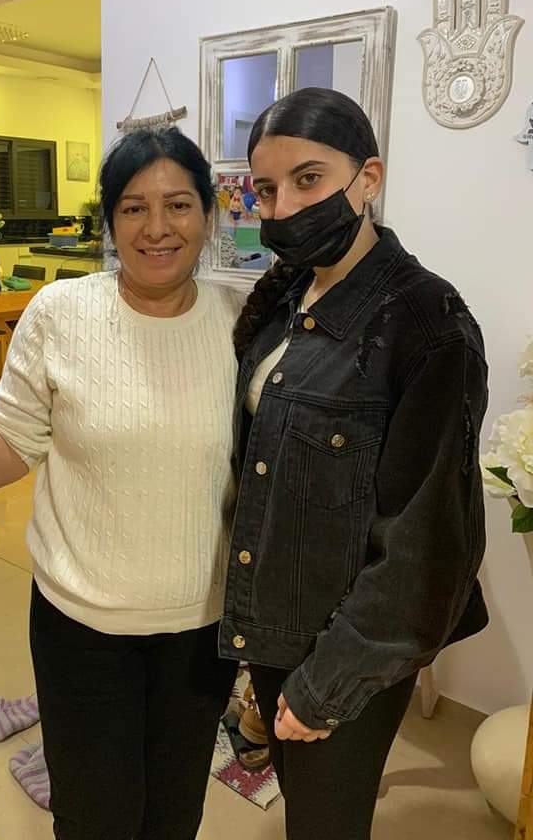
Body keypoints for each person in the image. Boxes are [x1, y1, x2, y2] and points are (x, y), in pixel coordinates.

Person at [0, 127, 242, 840]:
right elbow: (14, 442)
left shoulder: (242, 323)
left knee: (176, 811)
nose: (157, 227)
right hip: (81, 627)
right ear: (110, 223)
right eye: (133, 208)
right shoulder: (61, 313)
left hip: (201, 629)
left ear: (208, 216)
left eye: (178, 205)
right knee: (93, 816)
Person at [219, 87, 489, 840]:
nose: (283, 207)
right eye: (266, 189)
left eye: (308, 179)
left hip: (345, 643)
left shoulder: (428, 325)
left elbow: (429, 545)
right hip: (272, 623)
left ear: (368, 178)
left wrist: (328, 684)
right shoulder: (283, 297)